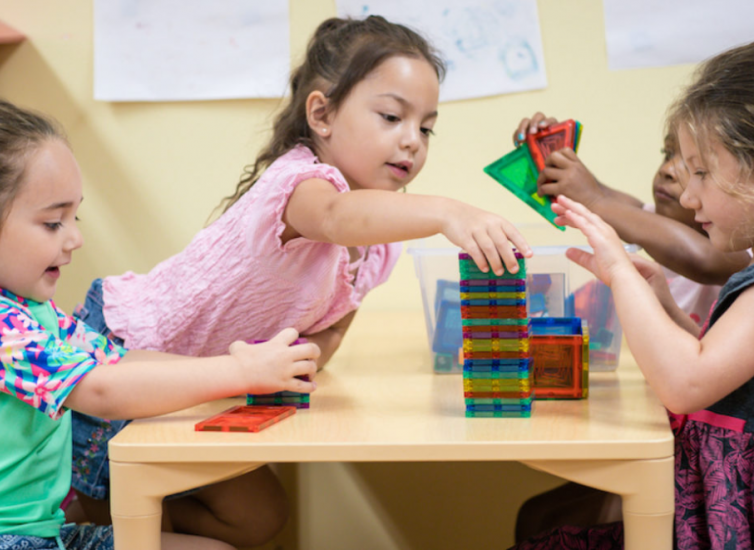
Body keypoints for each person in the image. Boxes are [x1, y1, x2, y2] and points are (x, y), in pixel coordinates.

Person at [71, 14, 533, 526]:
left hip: (198, 388)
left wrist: (296, 363)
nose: (412, 141)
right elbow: (337, 219)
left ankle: (127, 526)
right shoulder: (298, 184)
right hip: (122, 353)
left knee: (261, 519)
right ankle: (81, 516)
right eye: (391, 117)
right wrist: (450, 212)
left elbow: (328, 331)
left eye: (425, 127)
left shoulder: (378, 247)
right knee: (104, 510)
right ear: (322, 114)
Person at [0, 99, 320, 550]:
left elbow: (119, 360)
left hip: (36, 534)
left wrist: (236, 367)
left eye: (74, 217)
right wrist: (238, 373)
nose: (75, 238)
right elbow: (99, 391)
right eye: (52, 222)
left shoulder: (25, 310)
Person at [513, 40, 754, 550]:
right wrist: (662, 301)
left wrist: (622, 275)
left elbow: (687, 384)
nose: (688, 194)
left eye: (703, 172)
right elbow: (721, 371)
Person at [513, 114, 750, 326]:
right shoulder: (650, 220)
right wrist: (556, 162)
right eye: (667, 154)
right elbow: (608, 200)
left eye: (697, 168)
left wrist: (593, 199)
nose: (667, 169)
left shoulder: (741, 244)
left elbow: (702, 258)